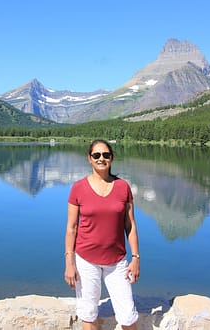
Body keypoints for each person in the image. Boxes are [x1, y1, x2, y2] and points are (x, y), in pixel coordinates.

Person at [64, 139, 140, 330]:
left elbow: (129, 224)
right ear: (89, 158)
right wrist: (69, 263)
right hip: (86, 260)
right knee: (88, 315)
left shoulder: (123, 187)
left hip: (117, 261)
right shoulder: (78, 188)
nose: (101, 158)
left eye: (106, 155)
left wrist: (135, 257)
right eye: (96, 155)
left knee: (128, 316)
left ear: (112, 158)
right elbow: (72, 228)